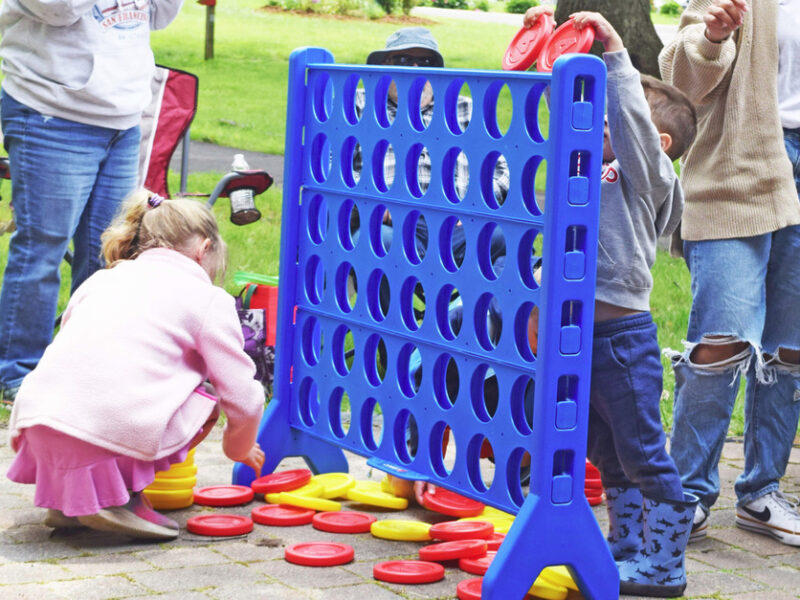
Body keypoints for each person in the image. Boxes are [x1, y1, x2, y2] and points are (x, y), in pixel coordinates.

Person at [524, 7, 699, 597]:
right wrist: (547, 47)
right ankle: (627, 548)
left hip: (623, 342)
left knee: (643, 451)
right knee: (607, 450)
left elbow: (629, 126)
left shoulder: (649, 175)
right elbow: (566, 108)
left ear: (658, 143)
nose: (603, 119)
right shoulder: (589, 167)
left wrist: (616, 54)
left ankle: (666, 565)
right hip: (580, 339)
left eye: (616, 114)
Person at [5, 192, 265, 540]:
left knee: (102, 392)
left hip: (37, 420)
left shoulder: (101, 280)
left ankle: (71, 501)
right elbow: (243, 395)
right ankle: (119, 499)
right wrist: (238, 447)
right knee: (205, 399)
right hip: (104, 430)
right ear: (204, 249)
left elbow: (73, 353)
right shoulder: (207, 299)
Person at [659, 0, 800, 547]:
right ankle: (685, 494)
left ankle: (762, 492)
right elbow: (680, 83)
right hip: (737, 171)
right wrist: (713, 38)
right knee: (723, 338)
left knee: (790, 347)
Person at [0, 0, 184, 406]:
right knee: (42, 250)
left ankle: (87, 367)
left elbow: (161, 15)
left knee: (110, 254)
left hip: (123, 115)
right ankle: (18, 373)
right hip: (51, 111)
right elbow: (57, 9)